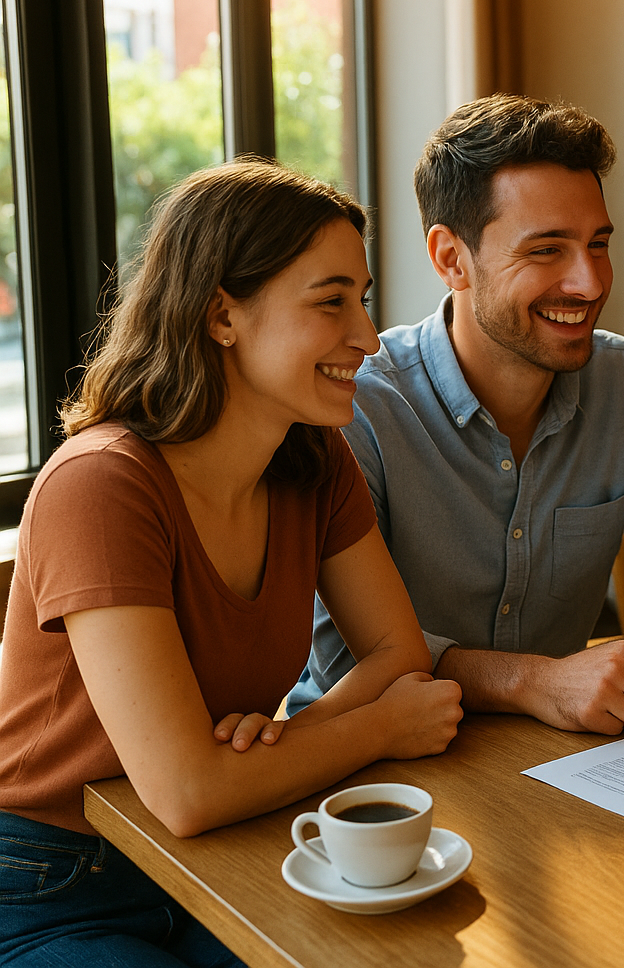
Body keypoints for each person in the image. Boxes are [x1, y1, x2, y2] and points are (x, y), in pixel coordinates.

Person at [0, 161, 464, 967]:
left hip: (229, 847)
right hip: (53, 881)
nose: (365, 334)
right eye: (330, 302)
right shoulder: (101, 485)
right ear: (221, 315)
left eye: (361, 298)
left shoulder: (314, 457)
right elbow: (187, 792)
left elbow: (400, 655)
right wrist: (381, 727)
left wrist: (293, 739)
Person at [285, 94, 624, 735]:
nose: (590, 283)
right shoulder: (360, 407)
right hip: (366, 766)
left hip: (558, 754)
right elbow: (344, 654)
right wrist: (532, 681)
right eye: (547, 250)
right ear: (450, 258)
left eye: (597, 244)